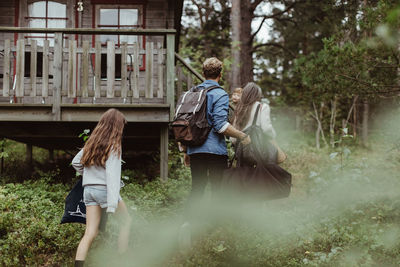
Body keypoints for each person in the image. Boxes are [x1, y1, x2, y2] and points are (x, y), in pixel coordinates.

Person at [179, 58, 250, 247]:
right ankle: (215, 232)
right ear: (220, 74)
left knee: (197, 189)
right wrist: (242, 135)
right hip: (215, 151)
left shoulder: (193, 92)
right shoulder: (219, 93)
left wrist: (186, 150)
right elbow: (220, 125)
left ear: (203, 73)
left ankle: (188, 225)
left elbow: (186, 124)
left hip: (195, 149)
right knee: (218, 190)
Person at [71, 108, 132, 267]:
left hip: (89, 191)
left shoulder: (91, 143)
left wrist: (90, 176)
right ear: (117, 127)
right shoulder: (113, 146)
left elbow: (76, 162)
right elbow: (112, 177)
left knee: (90, 233)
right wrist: (111, 205)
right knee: (126, 222)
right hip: (105, 191)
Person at [232, 82, 276, 163]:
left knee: (243, 174)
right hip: (259, 149)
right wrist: (273, 136)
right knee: (258, 173)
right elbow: (266, 129)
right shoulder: (262, 107)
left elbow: (233, 136)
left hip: (242, 150)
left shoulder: (239, 108)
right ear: (258, 94)